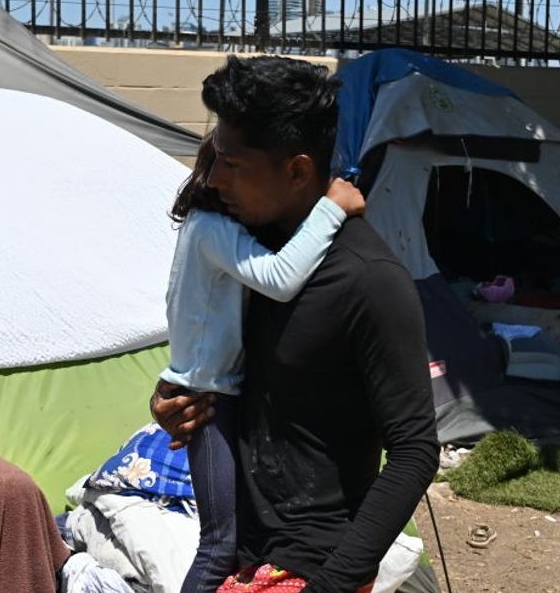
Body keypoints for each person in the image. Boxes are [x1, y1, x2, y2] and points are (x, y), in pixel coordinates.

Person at [151, 55, 440, 593]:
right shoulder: (251, 252)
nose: (213, 180)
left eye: (233, 165)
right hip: (242, 552)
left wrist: (331, 585)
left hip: (310, 566)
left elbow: (416, 451)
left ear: (298, 170)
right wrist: (173, 401)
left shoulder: (368, 281)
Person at [163, 130, 367, 593]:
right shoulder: (213, 229)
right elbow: (279, 278)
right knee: (219, 546)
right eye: (227, 169)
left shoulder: (207, 226)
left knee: (232, 543)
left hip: (215, 389)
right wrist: (332, 208)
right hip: (207, 398)